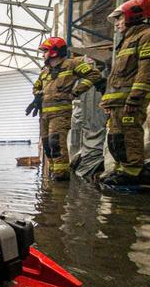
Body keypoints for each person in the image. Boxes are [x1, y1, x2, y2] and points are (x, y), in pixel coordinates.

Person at [100, 0, 150, 186]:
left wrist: (135, 99)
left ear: (133, 14)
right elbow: (117, 77)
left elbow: (147, 71)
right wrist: (107, 102)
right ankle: (122, 170)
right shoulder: (127, 41)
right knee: (116, 138)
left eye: (119, 18)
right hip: (118, 103)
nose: (117, 24)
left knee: (130, 136)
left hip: (130, 101)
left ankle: (132, 172)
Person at [26, 37, 102, 180]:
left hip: (60, 113)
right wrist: (37, 96)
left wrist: (76, 91)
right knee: (47, 145)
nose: (43, 55)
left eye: (45, 51)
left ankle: (62, 177)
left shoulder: (72, 64)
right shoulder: (45, 72)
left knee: (56, 143)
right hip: (44, 115)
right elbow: (36, 86)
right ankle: (54, 174)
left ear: (54, 52)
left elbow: (94, 75)